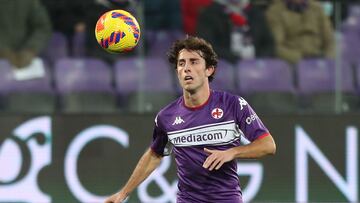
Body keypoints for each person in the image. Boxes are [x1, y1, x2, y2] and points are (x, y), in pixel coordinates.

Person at [104, 36, 276, 203]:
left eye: (194, 62)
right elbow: (154, 155)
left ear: (209, 69)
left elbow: (268, 145)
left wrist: (232, 152)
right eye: (181, 63)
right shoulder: (166, 117)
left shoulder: (232, 104)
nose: (186, 68)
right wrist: (123, 193)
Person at [266, 0, 335, 64]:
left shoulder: (317, 9)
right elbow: (276, 47)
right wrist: (300, 59)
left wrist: (327, 59)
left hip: (319, 60)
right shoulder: (275, 12)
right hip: (292, 63)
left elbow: (330, 40)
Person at [0, 0, 52, 69]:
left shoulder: (29, 2)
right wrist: (2, 50)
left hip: (24, 59)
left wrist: (31, 49)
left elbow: (42, 27)